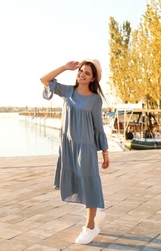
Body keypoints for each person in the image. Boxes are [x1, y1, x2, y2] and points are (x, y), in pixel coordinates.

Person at [40, 59, 110, 245]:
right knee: (80, 184)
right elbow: (44, 80)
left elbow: (98, 128)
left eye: (87, 73)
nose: (82, 75)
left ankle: (90, 227)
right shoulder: (67, 91)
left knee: (89, 184)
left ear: (93, 78)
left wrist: (105, 152)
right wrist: (64, 67)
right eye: (81, 71)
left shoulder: (95, 100)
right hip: (68, 146)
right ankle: (97, 212)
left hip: (85, 148)